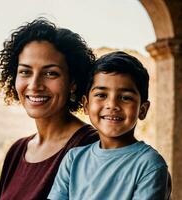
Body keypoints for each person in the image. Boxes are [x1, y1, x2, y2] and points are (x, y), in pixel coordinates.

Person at [0, 18, 99, 200]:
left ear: (73, 82)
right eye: (25, 72)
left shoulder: (91, 148)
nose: (34, 85)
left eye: (50, 73)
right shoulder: (16, 151)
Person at [48, 51, 172, 200]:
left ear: (142, 110)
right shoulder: (73, 160)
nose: (112, 105)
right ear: (86, 105)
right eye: (101, 95)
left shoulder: (149, 165)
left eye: (125, 97)